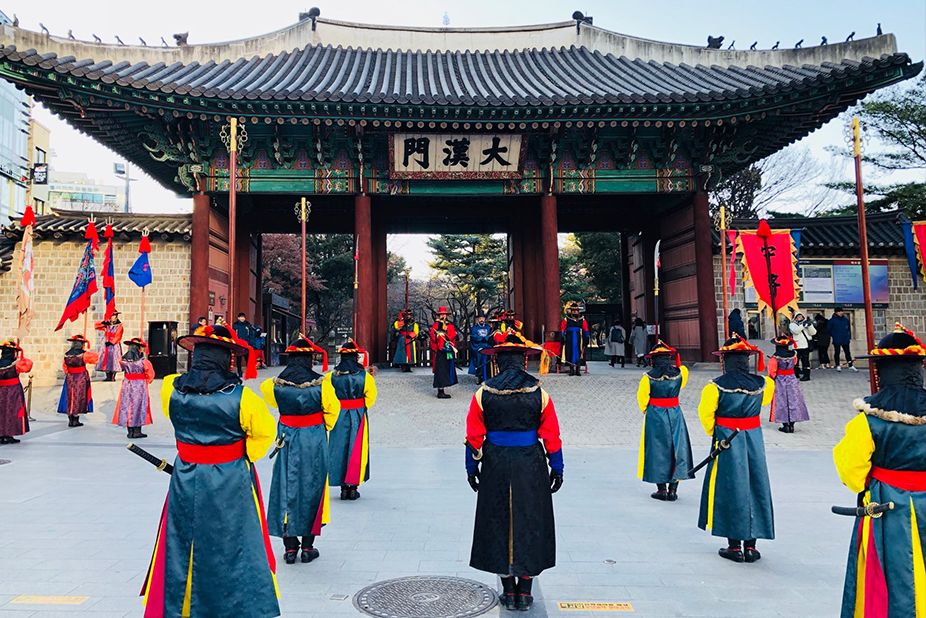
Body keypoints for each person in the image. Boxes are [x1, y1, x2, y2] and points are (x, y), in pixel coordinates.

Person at [141, 323, 279, 618]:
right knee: (232, 542)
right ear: (226, 358)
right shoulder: (243, 398)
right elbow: (264, 434)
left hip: (186, 475)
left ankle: (183, 606)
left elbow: (176, 421)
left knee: (182, 538)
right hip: (229, 477)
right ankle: (232, 606)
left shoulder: (171, 389)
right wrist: (240, 456)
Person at [465, 332, 563, 611]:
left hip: (495, 461)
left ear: (497, 363)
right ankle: (526, 591)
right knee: (530, 519)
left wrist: (471, 466)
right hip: (530, 462)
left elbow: (473, 436)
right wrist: (557, 466)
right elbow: (551, 435)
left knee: (498, 519)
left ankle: (508, 590)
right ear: (523, 362)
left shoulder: (483, 393)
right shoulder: (540, 393)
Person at [833, 323, 926, 617]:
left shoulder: (867, 421)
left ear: (881, 372)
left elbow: (851, 472)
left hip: (889, 506)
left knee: (894, 578)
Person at [261, 336, 340, 565]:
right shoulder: (322, 384)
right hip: (313, 437)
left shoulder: (273, 384)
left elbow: (273, 404)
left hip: (286, 437)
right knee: (312, 487)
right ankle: (307, 546)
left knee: (285, 487)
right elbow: (332, 412)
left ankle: (289, 547)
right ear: (309, 359)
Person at [697, 334, 775, 563]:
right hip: (753, 440)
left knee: (730, 486)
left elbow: (706, 415)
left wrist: (716, 433)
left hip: (727, 439)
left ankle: (734, 546)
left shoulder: (715, 387)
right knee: (756, 484)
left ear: (725, 361)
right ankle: (751, 545)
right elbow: (764, 402)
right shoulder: (763, 384)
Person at [637, 340, 693, 501]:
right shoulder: (681, 373)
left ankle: (661, 489)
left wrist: (648, 411)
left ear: (653, 359)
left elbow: (642, 399)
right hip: (675, 413)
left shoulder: (648, 378)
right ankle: (674, 489)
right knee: (677, 448)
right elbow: (681, 385)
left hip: (655, 414)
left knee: (657, 450)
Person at [328, 339, 377, 501]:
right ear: (356, 357)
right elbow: (371, 397)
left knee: (338, 448)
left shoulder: (331, 376)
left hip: (338, 414)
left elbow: (327, 397)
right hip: (357, 414)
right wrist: (361, 407)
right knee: (356, 449)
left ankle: (343, 488)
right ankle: (353, 487)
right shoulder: (364, 376)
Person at [112, 337, 155, 439]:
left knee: (127, 406)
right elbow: (151, 374)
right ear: (138, 349)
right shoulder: (143, 361)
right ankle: (137, 431)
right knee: (138, 406)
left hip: (127, 384)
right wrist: (146, 381)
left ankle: (130, 431)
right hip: (139, 385)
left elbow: (119, 368)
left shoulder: (123, 360)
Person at [767, 336, 810, 434]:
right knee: (794, 400)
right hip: (792, 379)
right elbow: (794, 364)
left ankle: (785, 425)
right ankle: (792, 425)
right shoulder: (793, 355)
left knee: (782, 401)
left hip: (780, 380)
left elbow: (772, 371)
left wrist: (772, 378)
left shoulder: (775, 358)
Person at [57, 334, 98, 427]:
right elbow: (95, 359)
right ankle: (75, 419)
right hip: (80, 378)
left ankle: (70, 419)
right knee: (78, 397)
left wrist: (69, 373)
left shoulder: (67, 354)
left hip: (70, 377)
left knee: (70, 396)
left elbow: (65, 367)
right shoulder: (84, 354)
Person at [0, 340, 32, 445]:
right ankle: (9, 434)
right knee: (12, 411)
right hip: (13, 390)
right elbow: (27, 367)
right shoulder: (16, 364)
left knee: (1, 412)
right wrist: (22, 358)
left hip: (1, 389)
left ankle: (1, 435)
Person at [429, 307, 458, 399]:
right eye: (441, 314)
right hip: (439, 351)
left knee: (446, 369)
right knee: (440, 370)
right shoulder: (435, 326)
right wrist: (439, 335)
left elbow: (453, 335)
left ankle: (444, 388)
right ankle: (440, 391)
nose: (443, 316)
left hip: (448, 350)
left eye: (444, 314)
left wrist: (447, 336)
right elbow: (432, 337)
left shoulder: (450, 325)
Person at [559, 301, 589, 377]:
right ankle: (571, 370)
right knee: (569, 352)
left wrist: (586, 338)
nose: (575, 312)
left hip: (579, 338)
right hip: (569, 338)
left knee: (579, 353)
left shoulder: (582, 320)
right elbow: (562, 329)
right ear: (571, 311)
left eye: (576, 310)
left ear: (578, 311)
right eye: (573, 310)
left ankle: (578, 370)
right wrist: (562, 337)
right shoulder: (566, 319)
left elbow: (585, 330)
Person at [95, 310, 124, 381]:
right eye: (111, 316)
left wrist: (112, 342)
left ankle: (113, 376)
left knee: (114, 359)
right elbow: (97, 326)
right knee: (106, 359)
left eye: (114, 315)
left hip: (114, 345)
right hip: (106, 344)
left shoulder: (119, 326)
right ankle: (107, 376)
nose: (112, 317)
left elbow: (118, 335)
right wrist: (103, 322)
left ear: (116, 317)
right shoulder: (107, 325)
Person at [788, 311, 817, 381]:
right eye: (798, 317)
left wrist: (810, 326)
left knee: (805, 361)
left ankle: (807, 375)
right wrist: (802, 325)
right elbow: (795, 331)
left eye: (801, 317)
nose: (799, 318)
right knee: (796, 361)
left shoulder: (806, 323)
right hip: (796, 346)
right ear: (795, 318)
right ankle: (796, 374)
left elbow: (813, 333)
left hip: (805, 345)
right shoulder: (792, 324)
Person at [829, 307, 857, 372]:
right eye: (839, 311)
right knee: (837, 352)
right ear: (836, 312)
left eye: (841, 311)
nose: (841, 312)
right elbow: (829, 329)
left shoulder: (845, 319)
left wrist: (848, 336)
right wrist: (834, 335)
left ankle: (850, 365)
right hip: (837, 338)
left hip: (845, 338)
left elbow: (848, 329)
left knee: (847, 352)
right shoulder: (832, 320)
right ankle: (838, 365)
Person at [468, 311, 491, 383]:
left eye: (483, 318)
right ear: (477, 319)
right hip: (478, 347)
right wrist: (481, 338)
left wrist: (486, 338)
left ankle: (487, 376)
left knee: (488, 361)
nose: (481, 320)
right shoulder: (474, 328)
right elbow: (473, 336)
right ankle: (479, 377)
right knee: (479, 362)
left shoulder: (488, 327)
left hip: (487, 346)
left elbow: (490, 335)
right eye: (480, 318)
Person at [233, 313, 255, 377]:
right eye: (241, 317)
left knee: (248, 359)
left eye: (243, 317)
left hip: (246, 344)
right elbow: (233, 334)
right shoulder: (235, 325)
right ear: (238, 318)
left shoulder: (248, 325)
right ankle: (239, 372)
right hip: (238, 344)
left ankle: (249, 372)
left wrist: (251, 344)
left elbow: (251, 335)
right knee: (239, 360)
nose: (242, 318)